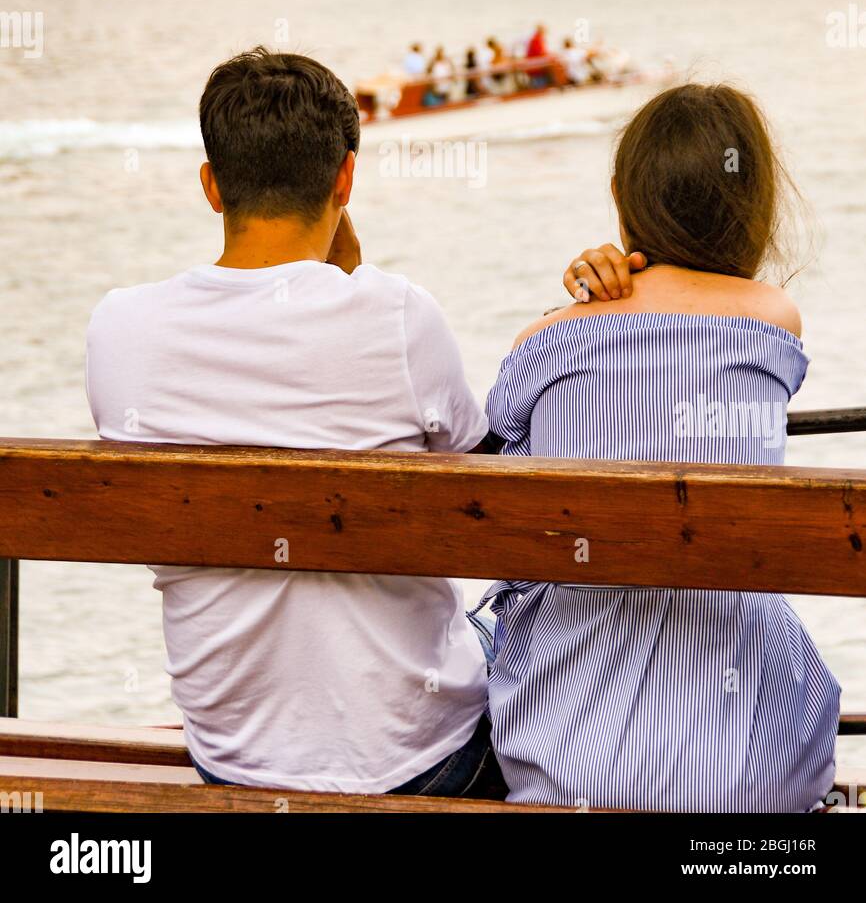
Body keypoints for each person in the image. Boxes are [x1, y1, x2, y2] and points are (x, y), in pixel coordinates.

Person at [86, 49, 506, 799]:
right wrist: (349, 269)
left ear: (212, 186)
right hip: (421, 764)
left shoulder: (121, 330)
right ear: (346, 178)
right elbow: (486, 481)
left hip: (232, 759)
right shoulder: (398, 318)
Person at [479, 83, 840, 811]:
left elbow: (494, 464)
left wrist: (580, 302)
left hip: (563, 762)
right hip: (747, 774)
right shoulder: (774, 325)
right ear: (758, 200)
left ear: (619, 195)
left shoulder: (546, 341)